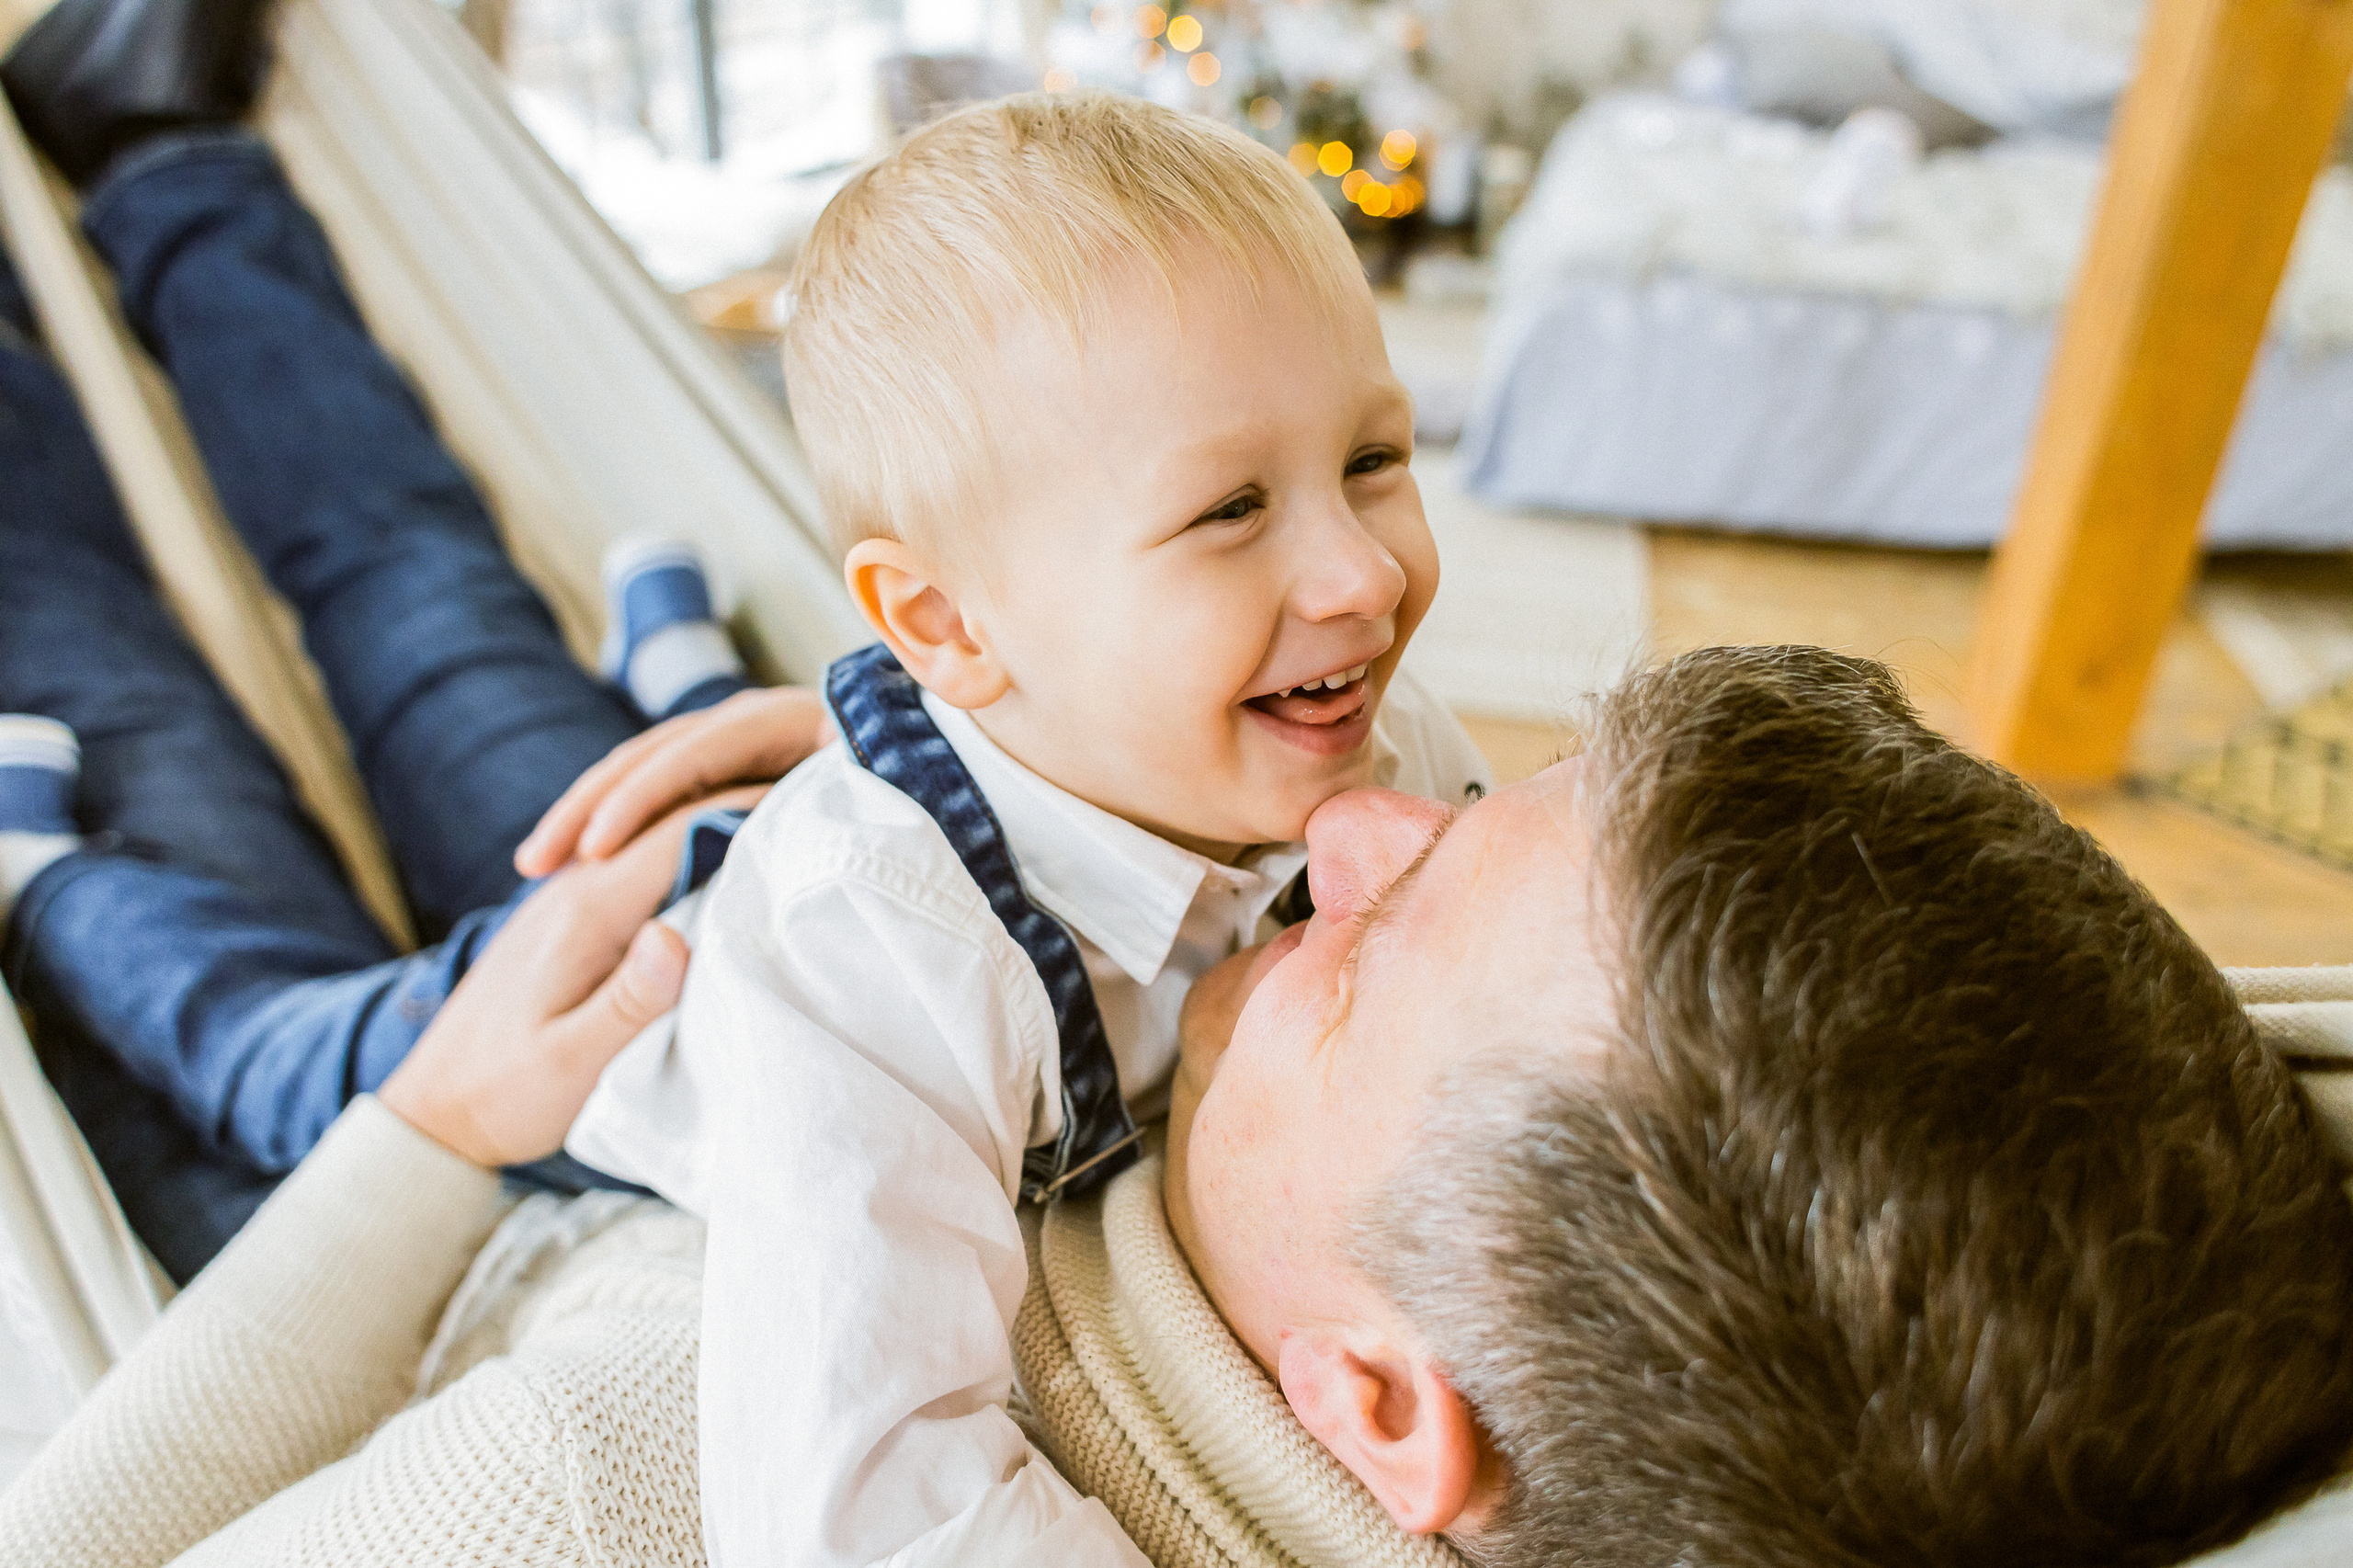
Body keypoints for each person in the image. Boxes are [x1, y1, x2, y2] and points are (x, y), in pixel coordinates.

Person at [8, 647, 2353, 1568]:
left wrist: (421, 1140)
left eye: (1367, 942)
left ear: (1379, 1403)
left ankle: (164, 168)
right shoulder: (1731, 1424)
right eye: (1462, 808)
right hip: (880, 934)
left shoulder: (611, 1483)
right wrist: (993, 796)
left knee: (174, 697)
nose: (1342, 828)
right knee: (443, 638)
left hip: (430, 1231)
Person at [553, 88, 1492, 1566]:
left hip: (879, 776)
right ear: (945, 622)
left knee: (682, 720)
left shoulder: (1362, 723)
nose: (1365, 576)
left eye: (1374, 460)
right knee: (259, 1019)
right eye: (1232, 508)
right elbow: (855, 1514)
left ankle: (677, 645)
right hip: (595, 1001)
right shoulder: (871, 943)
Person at [0, 0, 818, 1282]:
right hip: (733, 1015)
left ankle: (55, 893)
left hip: (434, 1277)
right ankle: (162, 153)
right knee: (428, 593)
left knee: (124, 734)